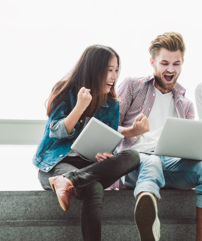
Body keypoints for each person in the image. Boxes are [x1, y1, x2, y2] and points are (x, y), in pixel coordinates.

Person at [32, 45, 140, 241]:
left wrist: (106, 155)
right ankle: (70, 179)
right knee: (94, 188)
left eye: (117, 70)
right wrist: (80, 108)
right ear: (94, 69)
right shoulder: (65, 90)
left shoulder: (112, 103)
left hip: (89, 165)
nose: (114, 76)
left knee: (133, 156)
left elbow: (110, 142)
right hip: (57, 163)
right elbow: (55, 131)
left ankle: (71, 180)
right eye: (109, 70)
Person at [117, 32, 201, 241]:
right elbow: (107, 126)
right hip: (135, 163)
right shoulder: (133, 87)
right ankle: (149, 221)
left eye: (176, 63)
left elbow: (190, 145)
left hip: (171, 166)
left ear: (182, 63)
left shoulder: (186, 105)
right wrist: (130, 132)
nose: (171, 69)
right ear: (152, 62)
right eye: (164, 63)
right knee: (152, 160)